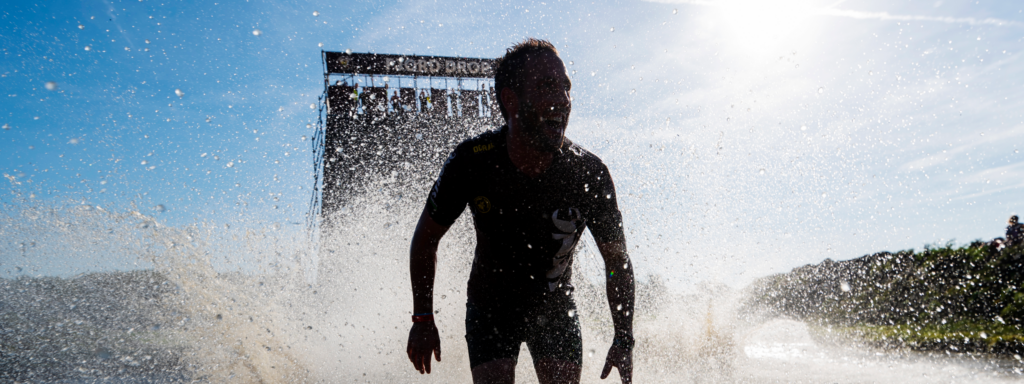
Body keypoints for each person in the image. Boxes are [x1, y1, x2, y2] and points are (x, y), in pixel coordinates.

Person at [406, 38, 635, 384]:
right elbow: (425, 241)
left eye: (565, 88)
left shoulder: (589, 173)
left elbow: (617, 261)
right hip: (490, 306)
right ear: (511, 100)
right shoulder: (473, 161)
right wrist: (423, 319)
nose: (562, 99)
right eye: (547, 87)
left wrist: (623, 337)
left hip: (555, 307)